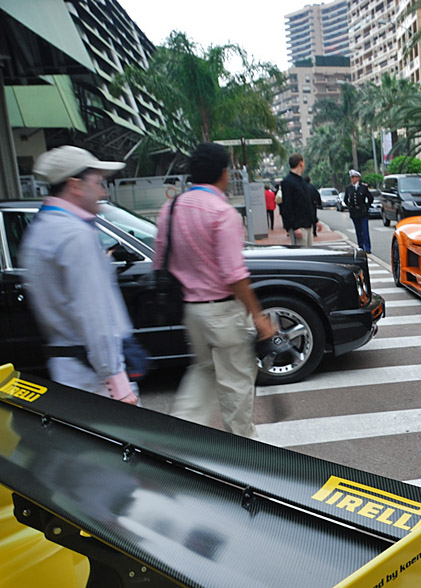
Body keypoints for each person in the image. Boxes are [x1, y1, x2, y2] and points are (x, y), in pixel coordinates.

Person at [153, 143, 276, 438]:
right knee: (235, 383)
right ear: (224, 173)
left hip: (191, 311)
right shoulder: (223, 213)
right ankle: (245, 453)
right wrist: (259, 318)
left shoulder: (170, 209)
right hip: (223, 311)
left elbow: (160, 261)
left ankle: (179, 435)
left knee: (203, 370)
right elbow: (234, 274)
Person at [20, 145, 138, 405]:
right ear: (75, 185)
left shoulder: (41, 230)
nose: (102, 192)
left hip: (69, 370)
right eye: (97, 183)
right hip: (97, 378)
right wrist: (118, 384)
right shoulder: (75, 236)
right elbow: (94, 316)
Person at [279, 153, 322, 247]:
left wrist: (315, 220)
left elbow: (307, 203)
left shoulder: (302, 181)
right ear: (301, 163)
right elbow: (287, 206)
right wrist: (294, 227)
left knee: (310, 254)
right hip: (298, 226)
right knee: (301, 253)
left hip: (308, 224)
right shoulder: (287, 182)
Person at [344, 169, 374, 253]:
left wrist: (367, 206)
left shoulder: (363, 187)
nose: (352, 179)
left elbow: (370, 198)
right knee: (358, 231)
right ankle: (360, 246)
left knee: (365, 230)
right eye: (351, 177)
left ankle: (367, 247)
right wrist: (350, 207)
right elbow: (345, 199)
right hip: (354, 212)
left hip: (363, 212)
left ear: (358, 178)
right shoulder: (349, 188)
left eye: (354, 177)